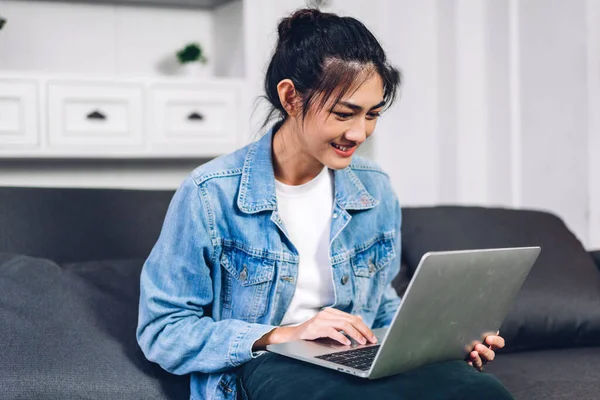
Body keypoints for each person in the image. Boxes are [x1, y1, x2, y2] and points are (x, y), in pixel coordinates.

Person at [137, 8, 512, 400]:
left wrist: (442, 341)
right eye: (343, 113)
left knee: (484, 393)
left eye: (372, 115)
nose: (359, 132)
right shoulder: (209, 193)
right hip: (266, 364)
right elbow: (163, 330)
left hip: (360, 357)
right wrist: (287, 334)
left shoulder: (374, 187)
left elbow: (381, 307)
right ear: (290, 97)